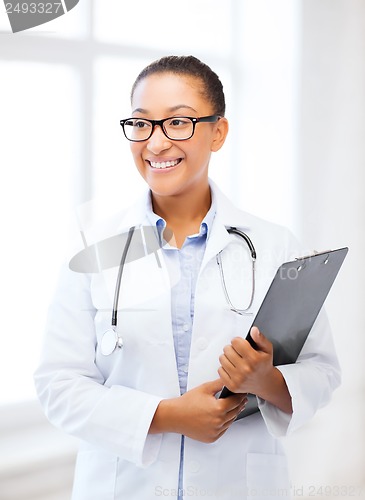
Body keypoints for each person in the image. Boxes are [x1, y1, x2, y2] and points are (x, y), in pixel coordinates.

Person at [34, 55, 341, 500]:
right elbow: (58, 385)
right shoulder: (95, 248)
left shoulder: (276, 245)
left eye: (178, 122)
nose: (156, 143)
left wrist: (265, 381)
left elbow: (322, 372)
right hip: (123, 486)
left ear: (218, 132)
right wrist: (166, 415)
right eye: (142, 124)